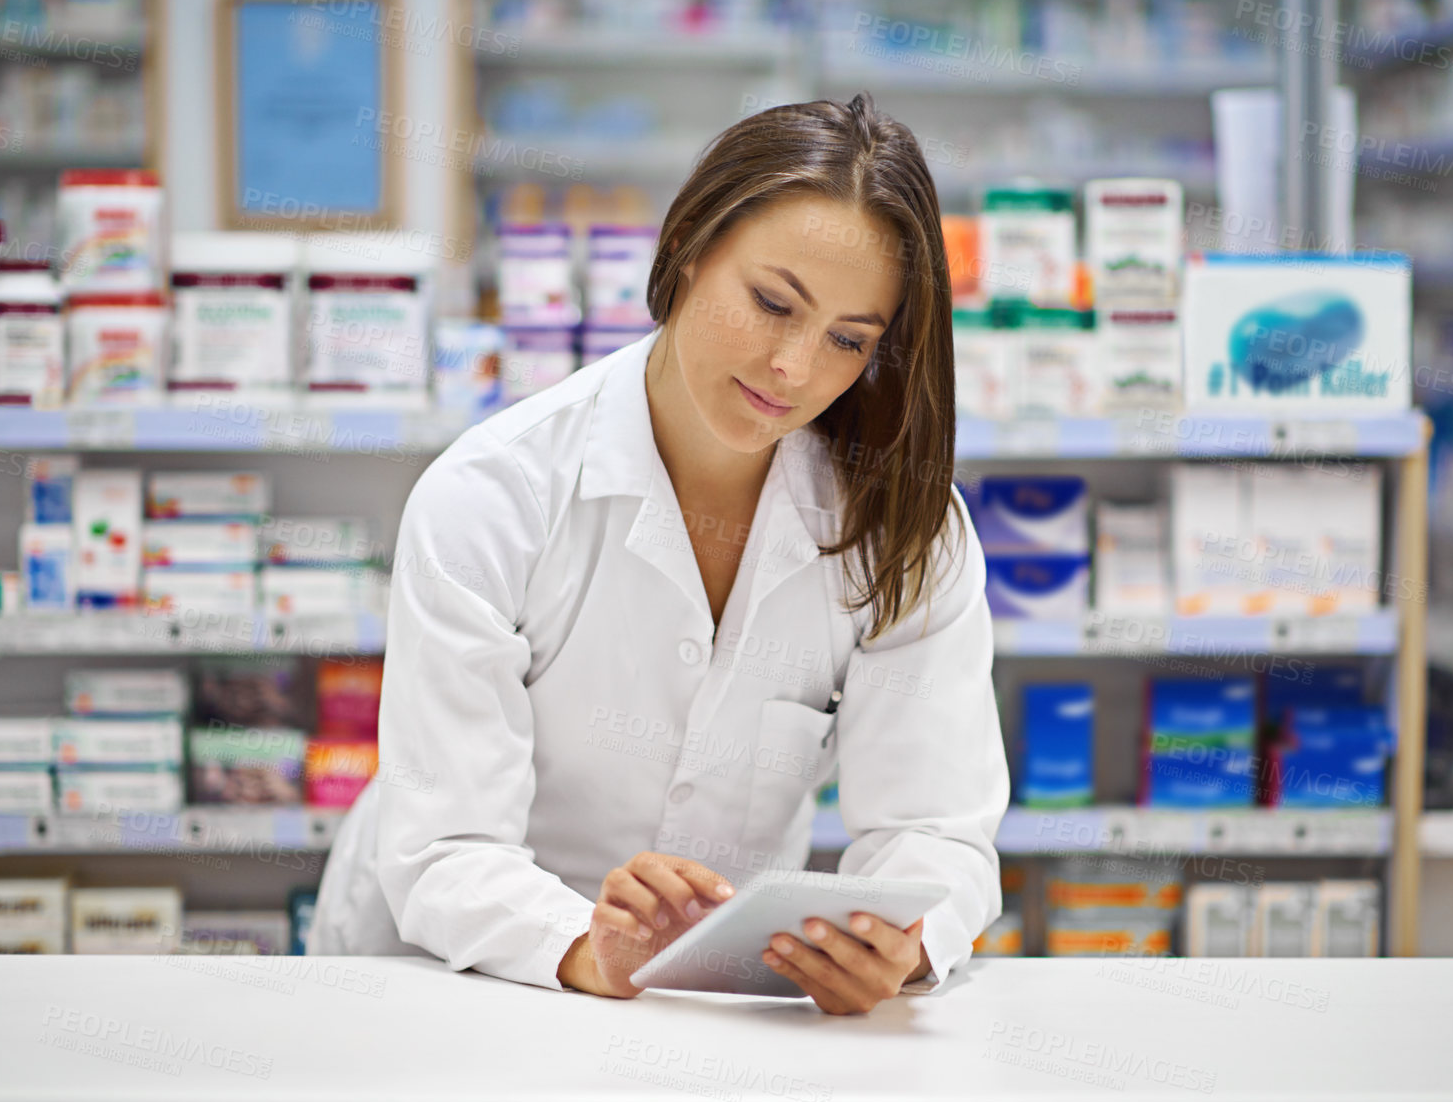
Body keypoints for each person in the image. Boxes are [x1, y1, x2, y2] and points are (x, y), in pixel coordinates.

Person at [310, 94, 1008, 1016]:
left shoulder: (905, 529)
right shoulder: (493, 496)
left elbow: (934, 826)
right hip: (445, 986)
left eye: (848, 340)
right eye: (770, 303)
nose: (794, 368)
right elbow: (443, 847)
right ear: (685, 246)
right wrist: (580, 944)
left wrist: (900, 951)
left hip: (709, 1003)